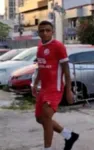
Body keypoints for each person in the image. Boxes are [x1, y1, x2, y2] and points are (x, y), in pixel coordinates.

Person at [32, 21, 79, 150]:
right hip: (44, 88)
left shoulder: (58, 46)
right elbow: (41, 67)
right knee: (39, 118)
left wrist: (68, 90)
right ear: (38, 33)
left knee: (46, 116)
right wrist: (35, 84)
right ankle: (68, 135)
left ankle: (47, 148)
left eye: (47, 30)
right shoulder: (40, 46)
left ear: (52, 32)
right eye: (42, 30)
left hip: (55, 88)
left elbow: (66, 70)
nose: (45, 33)